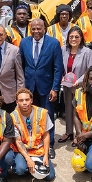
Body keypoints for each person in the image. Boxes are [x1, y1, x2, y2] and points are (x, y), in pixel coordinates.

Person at [19, 18, 64, 159]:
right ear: (30, 29)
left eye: (39, 28)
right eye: (33, 28)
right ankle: (33, 141)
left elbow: (58, 68)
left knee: (48, 115)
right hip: (29, 88)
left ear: (44, 29)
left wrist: (55, 88)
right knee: (30, 116)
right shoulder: (24, 42)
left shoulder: (54, 43)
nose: (36, 31)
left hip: (47, 88)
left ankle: (49, 145)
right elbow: (21, 65)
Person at [11, 88, 56, 181]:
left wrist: (46, 156)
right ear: (17, 102)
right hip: (22, 151)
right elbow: (17, 141)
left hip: (38, 150)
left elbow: (46, 135)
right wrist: (28, 159)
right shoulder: (12, 117)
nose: (24, 103)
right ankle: (28, 166)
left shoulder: (42, 112)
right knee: (20, 169)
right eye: (21, 100)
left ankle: (33, 167)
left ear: (31, 100)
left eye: (27, 100)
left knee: (50, 176)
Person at [59, 26, 92, 143]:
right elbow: (60, 67)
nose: (73, 39)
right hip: (67, 86)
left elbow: (90, 71)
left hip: (80, 87)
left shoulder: (87, 52)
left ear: (81, 38)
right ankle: (69, 132)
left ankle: (80, 136)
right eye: (71, 37)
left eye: (76, 37)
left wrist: (78, 81)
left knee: (79, 111)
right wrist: (62, 78)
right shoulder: (63, 49)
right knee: (68, 109)